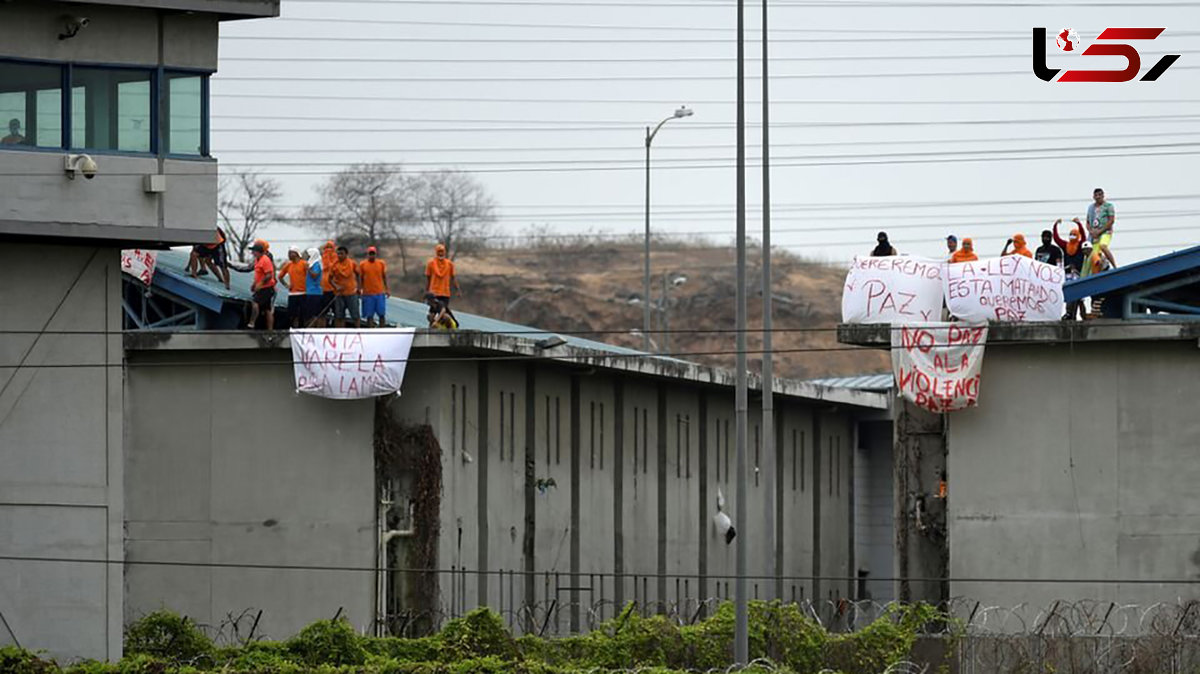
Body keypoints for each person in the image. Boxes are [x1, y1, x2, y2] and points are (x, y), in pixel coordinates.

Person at [1055, 218, 1088, 320]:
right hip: (1068, 274)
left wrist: (1079, 224)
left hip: (1078, 274)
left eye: (1074, 234)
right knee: (1069, 295)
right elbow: (1057, 239)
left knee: (1080, 298)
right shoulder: (1066, 245)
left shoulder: (1080, 245)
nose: (1072, 236)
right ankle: (1070, 314)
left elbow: (1084, 236)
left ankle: (1083, 316)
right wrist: (1055, 226)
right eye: (1071, 234)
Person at [1082, 187, 1117, 272]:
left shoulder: (1108, 206)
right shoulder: (1091, 208)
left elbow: (1111, 220)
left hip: (1105, 232)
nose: (1098, 197)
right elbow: (1087, 222)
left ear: (1103, 195)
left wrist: (1100, 231)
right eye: (1096, 195)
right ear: (1093, 196)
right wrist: (1091, 231)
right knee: (1093, 255)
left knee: (1103, 246)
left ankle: (1115, 266)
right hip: (1094, 235)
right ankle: (1098, 270)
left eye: (1100, 195)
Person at [328, 245, 361, 328]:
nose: (339, 256)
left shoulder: (352, 263)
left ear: (346, 254)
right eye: (338, 254)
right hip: (339, 294)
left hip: (351, 293)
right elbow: (330, 279)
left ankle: (358, 332)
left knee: (355, 315)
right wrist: (336, 286)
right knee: (339, 316)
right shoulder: (334, 265)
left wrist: (359, 287)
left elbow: (358, 274)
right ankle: (340, 333)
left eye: (341, 254)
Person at [359, 245, 390, 328]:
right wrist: (360, 289)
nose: (372, 255)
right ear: (367, 254)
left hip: (379, 292)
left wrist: (387, 289)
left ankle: (382, 330)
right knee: (369, 315)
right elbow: (360, 278)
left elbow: (384, 277)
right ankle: (370, 331)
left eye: (373, 254)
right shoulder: (363, 264)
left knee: (381, 313)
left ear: (376, 254)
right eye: (370, 254)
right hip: (367, 293)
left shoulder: (381, 263)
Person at [278, 246, 309, 328]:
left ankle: (303, 329)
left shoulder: (304, 264)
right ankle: (293, 329)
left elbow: (311, 277)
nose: (289, 255)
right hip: (292, 293)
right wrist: (286, 285)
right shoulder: (289, 265)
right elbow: (280, 276)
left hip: (303, 293)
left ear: (297, 254)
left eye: (291, 253)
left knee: (303, 314)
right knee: (292, 314)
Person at [247, 242, 276, 330]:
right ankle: (269, 330)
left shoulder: (265, 260)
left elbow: (268, 275)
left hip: (266, 288)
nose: (252, 253)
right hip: (261, 286)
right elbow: (258, 274)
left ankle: (252, 323)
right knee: (267, 309)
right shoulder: (257, 260)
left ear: (258, 251)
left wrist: (260, 284)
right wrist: (254, 284)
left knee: (255, 302)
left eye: (254, 251)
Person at [424, 243, 460, 308]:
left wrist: (457, 290)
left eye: (442, 252)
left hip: (439, 292)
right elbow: (428, 279)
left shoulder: (431, 263)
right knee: (439, 312)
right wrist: (457, 290)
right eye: (439, 252)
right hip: (437, 293)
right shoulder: (449, 264)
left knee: (436, 313)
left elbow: (453, 278)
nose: (440, 253)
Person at [304, 247, 324, 327]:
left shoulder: (316, 264)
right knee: (309, 313)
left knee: (315, 313)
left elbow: (315, 275)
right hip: (308, 291)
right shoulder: (310, 264)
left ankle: (315, 329)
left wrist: (308, 269)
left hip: (315, 292)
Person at [319, 240, 338, 326]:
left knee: (337, 312)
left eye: (331, 247)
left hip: (335, 290)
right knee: (323, 312)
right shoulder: (321, 259)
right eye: (327, 247)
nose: (328, 250)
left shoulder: (337, 259)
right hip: (324, 289)